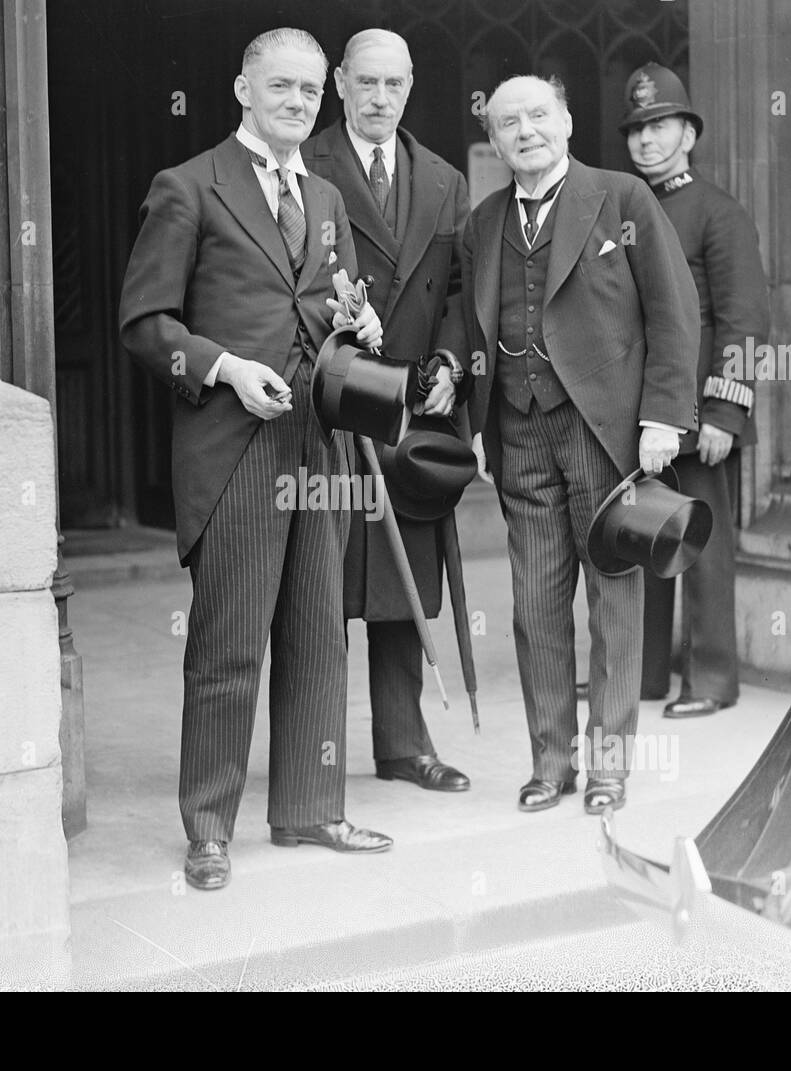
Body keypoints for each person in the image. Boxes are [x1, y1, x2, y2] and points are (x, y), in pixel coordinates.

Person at [119, 28, 391, 891]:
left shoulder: (327, 198)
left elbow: (329, 307)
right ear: (243, 88)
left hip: (318, 439)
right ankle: (209, 827)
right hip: (234, 444)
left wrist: (359, 328)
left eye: (312, 92)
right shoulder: (189, 187)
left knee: (319, 635)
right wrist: (223, 367)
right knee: (229, 645)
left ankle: (310, 808)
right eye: (282, 87)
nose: (299, 103)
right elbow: (143, 323)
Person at [461, 75, 700, 814]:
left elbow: (673, 308)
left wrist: (663, 417)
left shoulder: (622, 199)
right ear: (494, 142)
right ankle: (551, 761)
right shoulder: (484, 221)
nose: (525, 131)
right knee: (534, 605)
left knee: (614, 601)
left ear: (565, 120)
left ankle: (609, 765)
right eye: (509, 123)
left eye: (538, 115)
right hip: (518, 431)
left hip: (604, 432)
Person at [304, 28, 471, 793]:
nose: (378, 99)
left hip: (411, 411)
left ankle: (404, 746)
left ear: (410, 87)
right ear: (339, 82)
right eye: (365, 83)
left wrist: (448, 364)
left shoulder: (442, 177)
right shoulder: (306, 161)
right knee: (325, 586)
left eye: (393, 85)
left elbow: (463, 293)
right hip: (335, 406)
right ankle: (316, 759)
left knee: (407, 585)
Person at [621, 63, 770, 719]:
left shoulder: (718, 213)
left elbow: (743, 320)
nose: (647, 141)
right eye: (637, 130)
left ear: (689, 133)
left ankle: (711, 680)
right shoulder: (625, 211)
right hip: (641, 413)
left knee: (701, 547)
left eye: (659, 126)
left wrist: (725, 410)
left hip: (703, 414)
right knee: (644, 540)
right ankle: (646, 676)